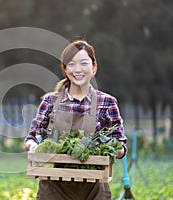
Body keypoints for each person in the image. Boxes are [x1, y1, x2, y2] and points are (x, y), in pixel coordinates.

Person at [24, 40, 127, 200]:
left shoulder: (107, 102)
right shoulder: (50, 102)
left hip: (93, 189)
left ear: (93, 67)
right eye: (71, 64)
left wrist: (109, 148)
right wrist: (33, 146)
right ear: (65, 69)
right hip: (53, 186)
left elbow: (120, 145)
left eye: (84, 63)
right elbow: (32, 137)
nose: (77, 69)